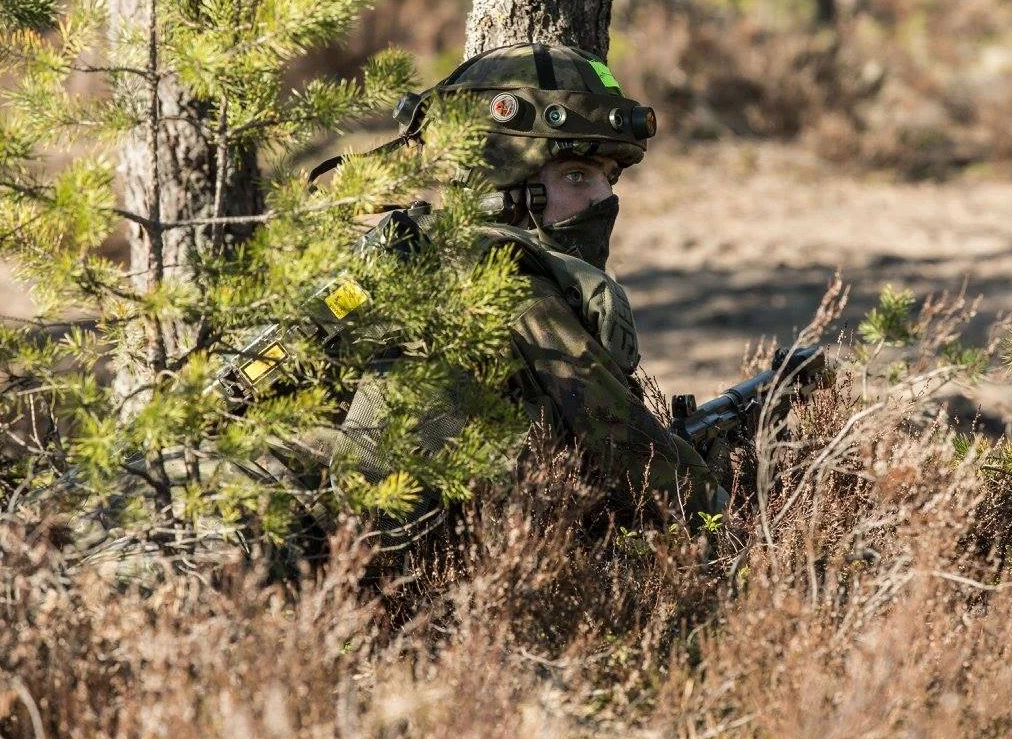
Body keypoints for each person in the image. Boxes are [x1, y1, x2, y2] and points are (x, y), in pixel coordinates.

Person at [304, 43, 722, 525]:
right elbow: (654, 480)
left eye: (609, 178)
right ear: (504, 185)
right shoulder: (512, 290)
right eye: (577, 175)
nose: (605, 199)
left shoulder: (414, 257)